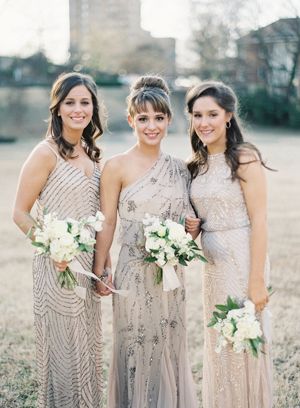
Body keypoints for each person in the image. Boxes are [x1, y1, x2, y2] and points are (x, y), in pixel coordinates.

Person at [93, 75, 198, 408]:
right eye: (143, 118)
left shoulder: (181, 169)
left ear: (169, 120)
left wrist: (190, 231)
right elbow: (107, 222)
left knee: (168, 340)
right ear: (131, 120)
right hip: (132, 271)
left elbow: (186, 230)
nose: (151, 126)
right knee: (136, 342)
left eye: (158, 118)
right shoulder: (116, 166)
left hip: (170, 275)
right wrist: (100, 269)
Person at [13, 72, 110, 407]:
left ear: (94, 107)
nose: (78, 109)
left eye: (85, 102)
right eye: (70, 102)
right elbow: (20, 213)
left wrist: (104, 264)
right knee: (64, 351)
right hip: (57, 267)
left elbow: (98, 215)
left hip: (87, 266)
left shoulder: (93, 153)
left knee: (87, 346)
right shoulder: (45, 153)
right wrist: (53, 248)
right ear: (57, 108)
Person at [185, 80, 273, 407]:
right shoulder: (196, 165)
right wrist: (192, 228)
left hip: (242, 261)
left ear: (228, 116)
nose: (204, 122)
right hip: (213, 271)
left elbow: (260, 220)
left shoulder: (244, 158)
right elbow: (199, 218)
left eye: (212, 114)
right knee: (220, 343)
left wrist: (256, 281)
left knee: (244, 341)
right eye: (197, 115)